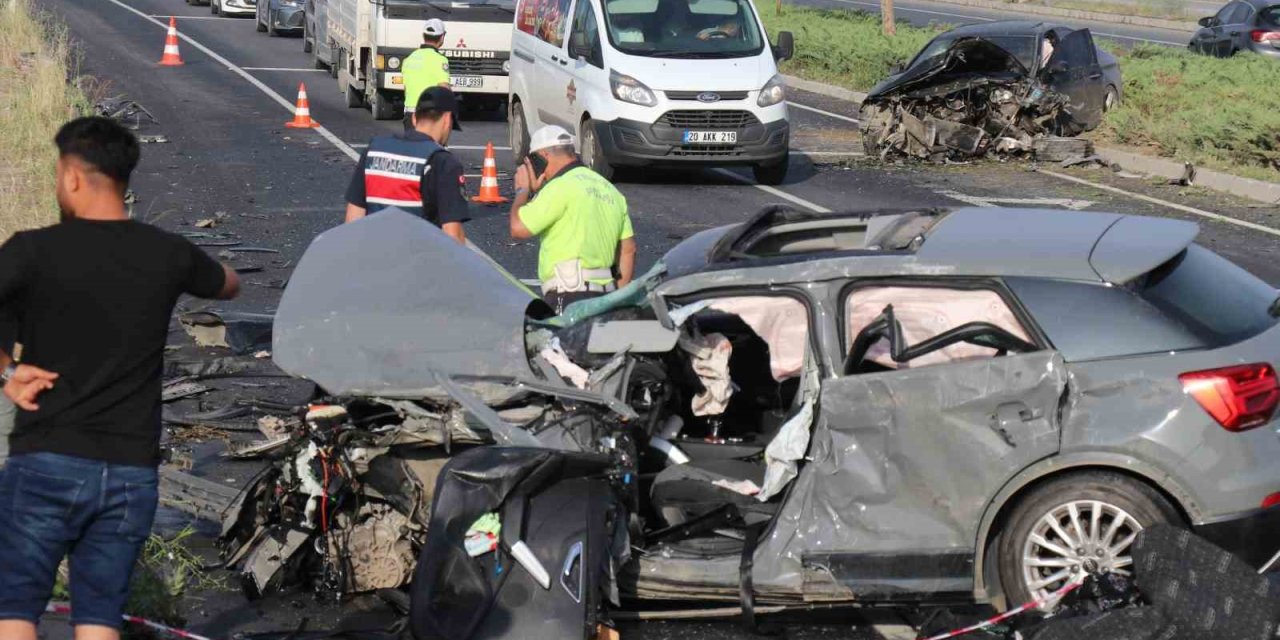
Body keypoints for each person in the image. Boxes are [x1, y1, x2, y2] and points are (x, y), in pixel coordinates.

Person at [0, 116, 239, 640]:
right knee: (100, 618)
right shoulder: (165, 253)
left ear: (72, 177)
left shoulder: (31, 251)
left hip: (47, 461)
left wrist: (10, 374)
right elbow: (227, 283)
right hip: (129, 473)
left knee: (15, 609)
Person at [509, 125, 636, 313]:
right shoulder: (610, 190)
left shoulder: (559, 187)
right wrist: (615, 298)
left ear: (543, 156)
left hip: (568, 295)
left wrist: (522, 191)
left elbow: (518, 228)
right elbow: (628, 250)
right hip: (606, 298)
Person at [345, 86, 470, 244]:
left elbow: (353, 218)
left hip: (373, 253)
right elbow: (453, 236)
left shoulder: (375, 150)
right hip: (416, 256)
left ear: (414, 119)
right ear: (447, 120)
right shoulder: (442, 162)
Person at [401, 18, 451, 133]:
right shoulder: (440, 60)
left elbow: (407, 89)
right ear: (442, 37)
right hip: (429, 116)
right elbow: (444, 88)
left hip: (409, 114)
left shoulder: (409, 59)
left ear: (423, 35)